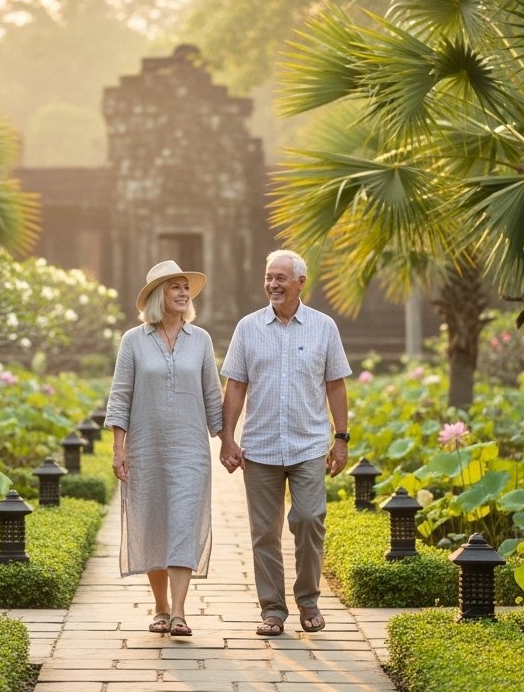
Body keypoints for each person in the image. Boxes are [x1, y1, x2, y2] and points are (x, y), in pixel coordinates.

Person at [218, 249, 352, 637]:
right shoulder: (248, 328)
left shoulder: (324, 327)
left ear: (300, 282)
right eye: (268, 277)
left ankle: (308, 601)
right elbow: (236, 385)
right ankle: (272, 610)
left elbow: (335, 384)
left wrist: (340, 439)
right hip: (259, 447)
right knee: (264, 532)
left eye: (280, 278)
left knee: (309, 519)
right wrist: (228, 439)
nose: (273, 284)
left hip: (308, 445)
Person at [104, 260, 224, 638]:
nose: (184, 293)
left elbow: (212, 396)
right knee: (154, 523)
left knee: (184, 523)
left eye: (185, 288)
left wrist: (230, 442)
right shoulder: (133, 341)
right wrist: (118, 449)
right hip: (146, 448)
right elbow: (120, 395)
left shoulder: (201, 339)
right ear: (159, 295)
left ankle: (180, 613)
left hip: (191, 449)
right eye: (175, 287)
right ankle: (159, 607)